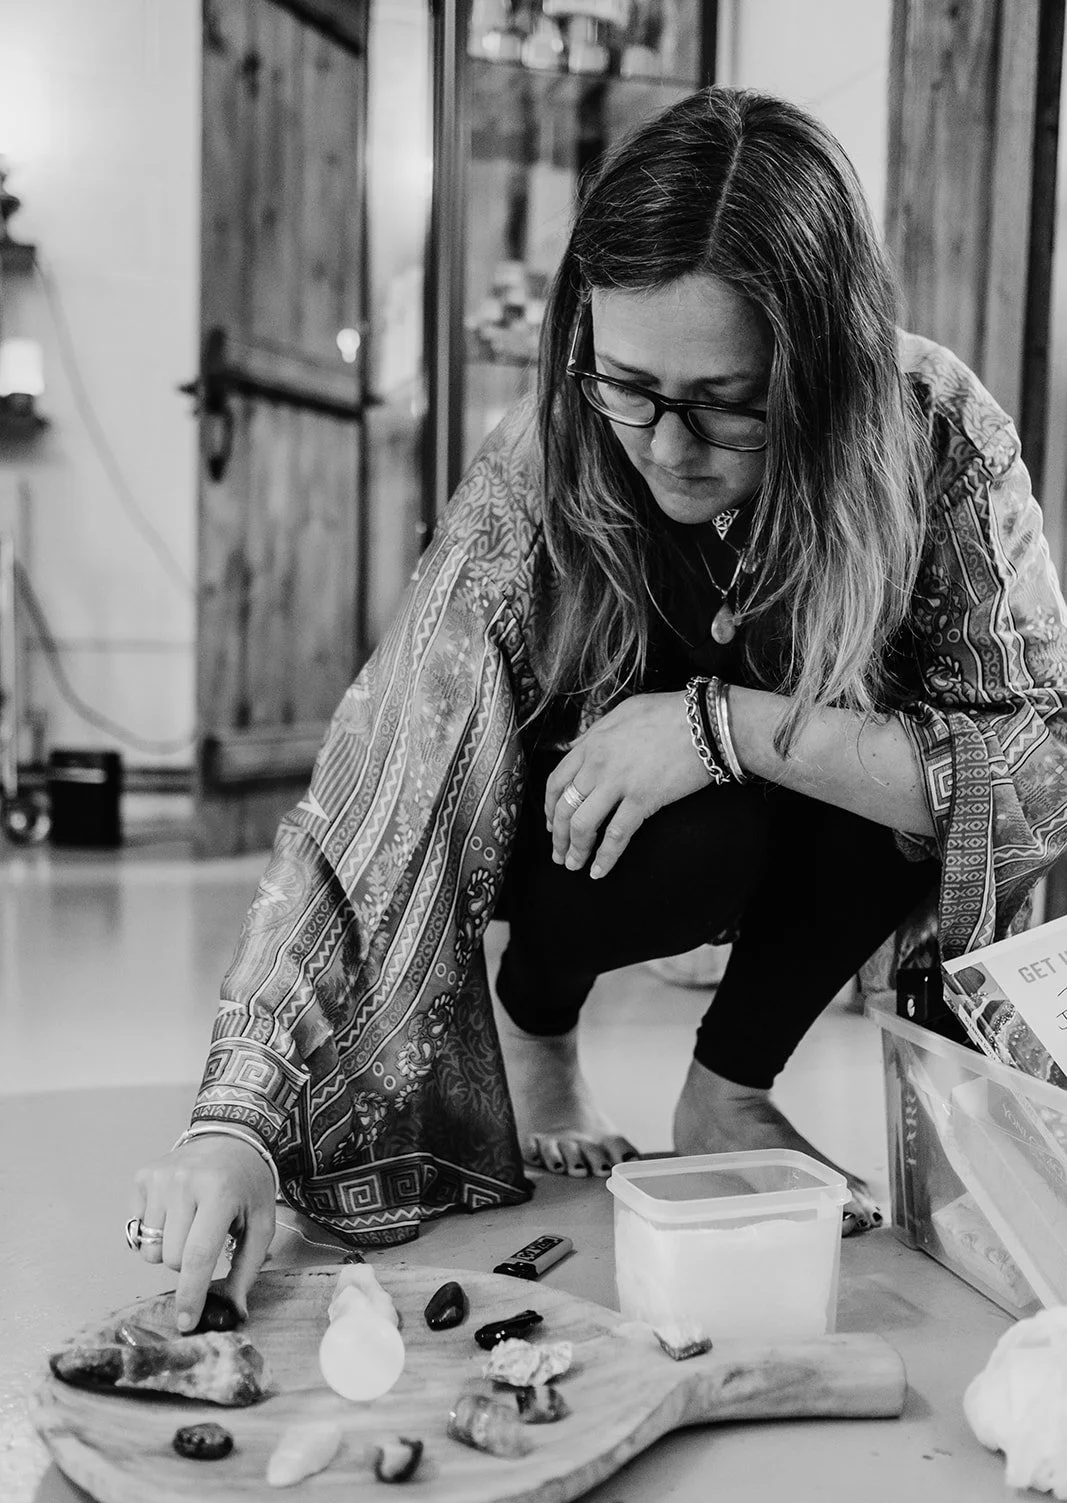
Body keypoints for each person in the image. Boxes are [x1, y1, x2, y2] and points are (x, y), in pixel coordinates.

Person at [129, 87, 1067, 1330]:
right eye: (628, 384)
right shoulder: (544, 458)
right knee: (694, 828)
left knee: (884, 764)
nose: (667, 446)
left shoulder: (934, 430)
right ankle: (538, 1020)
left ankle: (727, 1083)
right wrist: (235, 1122)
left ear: (827, 369)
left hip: (810, 828)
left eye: (727, 399)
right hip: (602, 842)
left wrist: (721, 725)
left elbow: (1039, 764)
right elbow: (378, 782)